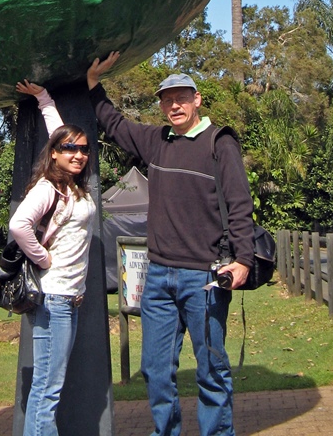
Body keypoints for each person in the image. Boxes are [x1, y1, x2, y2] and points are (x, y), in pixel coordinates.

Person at [83, 52, 254, 436]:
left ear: (197, 100)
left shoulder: (218, 142)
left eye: (181, 97)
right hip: (158, 277)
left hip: (204, 277)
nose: (174, 105)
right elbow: (114, 123)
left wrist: (242, 259)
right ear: (161, 105)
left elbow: (241, 203)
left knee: (211, 369)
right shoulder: (157, 141)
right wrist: (94, 83)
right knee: (156, 371)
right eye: (167, 99)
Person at [9, 78, 96, 436]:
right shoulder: (49, 187)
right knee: (48, 392)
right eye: (70, 149)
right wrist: (42, 258)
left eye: (84, 149)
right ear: (55, 153)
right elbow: (19, 225)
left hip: (68, 299)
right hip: (55, 298)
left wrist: (44, 98)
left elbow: (57, 129)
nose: (78, 154)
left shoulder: (72, 186)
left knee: (47, 389)